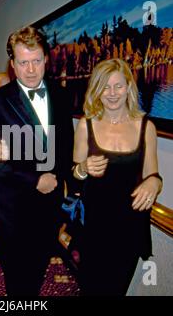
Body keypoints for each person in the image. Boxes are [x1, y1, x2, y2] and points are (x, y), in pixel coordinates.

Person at [0, 26, 74, 295]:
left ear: (46, 59)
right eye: (23, 62)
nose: (30, 70)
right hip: (12, 211)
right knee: (18, 281)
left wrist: (66, 180)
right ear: (12, 64)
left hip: (49, 208)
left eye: (36, 61)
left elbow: (64, 146)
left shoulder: (61, 94)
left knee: (36, 276)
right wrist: (35, 180)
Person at [73, 58, 163, 295]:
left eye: (118, 86)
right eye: (105, 86)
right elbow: (73, 176)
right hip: (95, 227)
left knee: (116, 290)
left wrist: (155, 181)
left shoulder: (146, 126)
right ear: (96, 90)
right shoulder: (86, 125)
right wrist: (82, 168)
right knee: (91, 289)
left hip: (130, 228)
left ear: (129, 88)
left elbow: (151, 174)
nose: (112, 93)